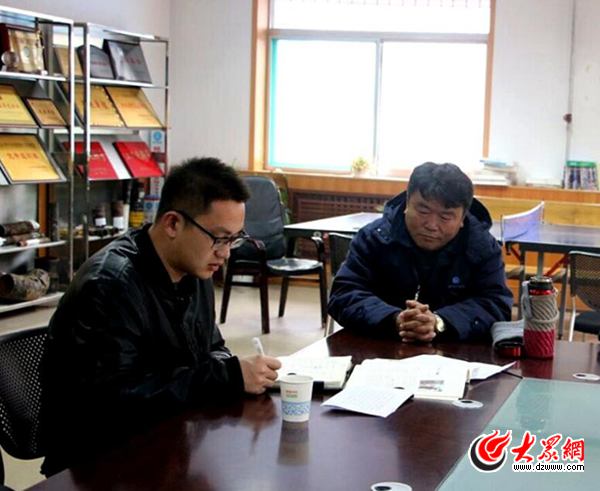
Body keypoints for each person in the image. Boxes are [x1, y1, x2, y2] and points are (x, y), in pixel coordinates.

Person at [41, 157, 282, 476]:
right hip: (101, 461)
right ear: (172, 224)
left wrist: (239, 370)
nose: (225, 253)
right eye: (219, 238)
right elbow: (116, 402)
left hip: (169, 439)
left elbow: (210, 347)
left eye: (235, 239)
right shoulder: (111, 285)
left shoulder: (195, 269)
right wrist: (226, 376)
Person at [328, 162, 512, 342]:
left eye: (445, 216)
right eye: (423, 211)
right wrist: (395, 319)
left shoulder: (481, 247)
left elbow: (496, 303)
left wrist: (440, 322)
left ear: (462, 218)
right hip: (380, 343)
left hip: (455, 349)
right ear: (407, 204)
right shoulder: (374, 238)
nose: (431, 225)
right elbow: (344, 293)